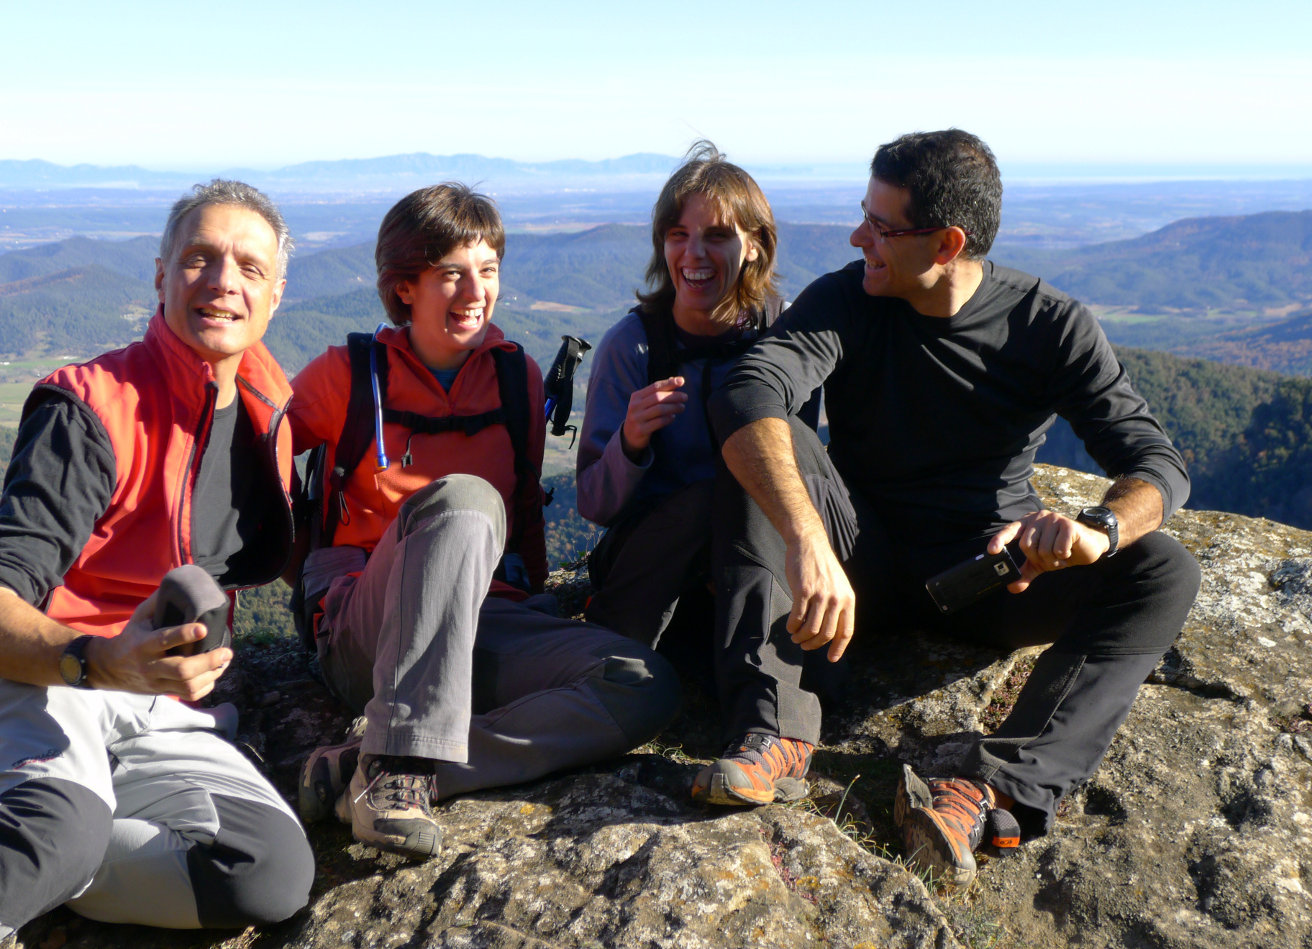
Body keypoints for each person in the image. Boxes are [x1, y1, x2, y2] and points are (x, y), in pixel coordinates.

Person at [705, 129, 1202, 889]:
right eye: (863, 214)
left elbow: (1155, 464)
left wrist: (1096, 532)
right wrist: (807, 540)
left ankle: (995, 785)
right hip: (856, 560)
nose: (858, 237)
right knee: (774, 446)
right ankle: (774, 729)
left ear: (947, 244)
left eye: (881, 225)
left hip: (987, 572)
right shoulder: (847, 297)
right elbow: (749, 390)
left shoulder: (1046, 324)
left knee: (1163, 570)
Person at [288, 183, 681, 859]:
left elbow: (524, 508)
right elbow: (251, 464)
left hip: (482, 619)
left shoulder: (513, 377)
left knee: (640, 684)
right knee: (464, 499)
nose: (476, 291)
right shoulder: (346, 376)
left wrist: (536, 600)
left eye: (488, 270)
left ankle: (382, 763)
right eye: (451, 273)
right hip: (369, 629)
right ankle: (396, 765)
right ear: (404, 286)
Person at [0, 180, 316, 937]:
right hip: (51, 674)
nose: (223, 281)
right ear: (161, 275)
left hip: (163, 707)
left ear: (275, 294)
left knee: (268, 874)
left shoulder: (268, 409)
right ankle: (55, 840)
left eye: (249, 267)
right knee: (55, 831)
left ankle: (63, 852)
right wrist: (99, 661)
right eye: (200, 258)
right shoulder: (92, 407)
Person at [576, 144, 822, 803]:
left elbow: (802, 466)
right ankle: (614, 671)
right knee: (712, 491)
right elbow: (594, 502)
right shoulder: (634, 346)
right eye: (678, 235)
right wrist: (629, 442)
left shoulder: (783, 337)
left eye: (717, 235)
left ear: (755, 246)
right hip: (653, 565)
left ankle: (764, 733)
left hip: (747, 565)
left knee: (762, 467)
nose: (694, 253)